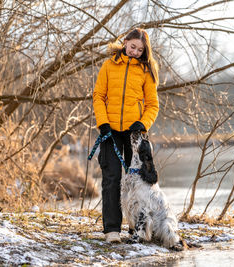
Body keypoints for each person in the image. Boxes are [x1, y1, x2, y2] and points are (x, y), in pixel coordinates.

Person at [92, 28, 159, 243]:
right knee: (111, 179)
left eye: (140, 49)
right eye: (133, 47)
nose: (136, 52)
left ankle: (136, 228)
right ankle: (111, 230)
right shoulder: (109, 65)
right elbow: (98, 96)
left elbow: (153, 105)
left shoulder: (146, 71)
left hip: (134, 135)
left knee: (137, 182)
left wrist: (143, 123)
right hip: (110, 131)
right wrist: (103, 123)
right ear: (125, 42)